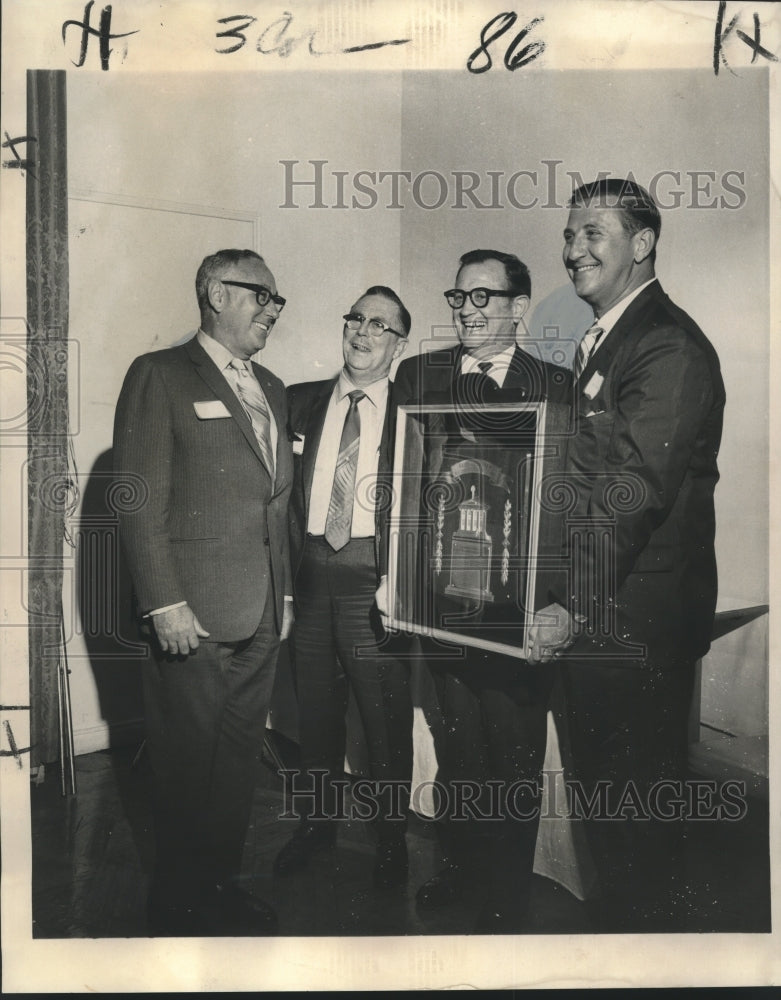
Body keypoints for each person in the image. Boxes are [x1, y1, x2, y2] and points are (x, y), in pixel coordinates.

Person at [527, 179, 726, 930]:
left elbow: (631, 492)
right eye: (569, 234)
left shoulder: (665, 344)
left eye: (590, 234)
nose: (572, 248)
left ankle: (647, 955)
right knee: (611, 812)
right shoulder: (610, 339)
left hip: (631, 626)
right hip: (606, 619)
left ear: (641, 244)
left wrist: (567, 603)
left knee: (634, 822)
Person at [113, 249, 293, 936]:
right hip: (192, 613)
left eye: (278, 302)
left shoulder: (271, 387)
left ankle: (216, 889)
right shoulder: (159, 375)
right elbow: (137, 501)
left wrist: (284, 598)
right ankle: (177, 907)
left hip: (260, 613)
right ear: (218, 294)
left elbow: (271, 505)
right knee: (187, 768)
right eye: (260, 297)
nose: (271, 312)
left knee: (236, 764)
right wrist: (163, 602)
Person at [389, 250, 571, 932]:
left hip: (515, 608)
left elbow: (567, 504)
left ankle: (504, 898)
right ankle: (459, 875)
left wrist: (556, 601)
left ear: (517, 308)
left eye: (482, 299)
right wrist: (396, 578)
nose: (465, 311)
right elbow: (401, 483)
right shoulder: (420, 375)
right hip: (438, 605)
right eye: (457, 298)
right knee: (457, 748)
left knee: (512, 758)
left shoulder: (554, 386)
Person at [274, 286, 414, 889]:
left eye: (380, 325)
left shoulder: (412, 411)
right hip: (308, 576)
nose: (362, 331)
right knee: (316, 712)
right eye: (355, 317)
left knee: (383, 721)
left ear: (399, 344)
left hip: (371, 582)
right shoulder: (300, 402)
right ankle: (316, 826)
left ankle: (390, 842)